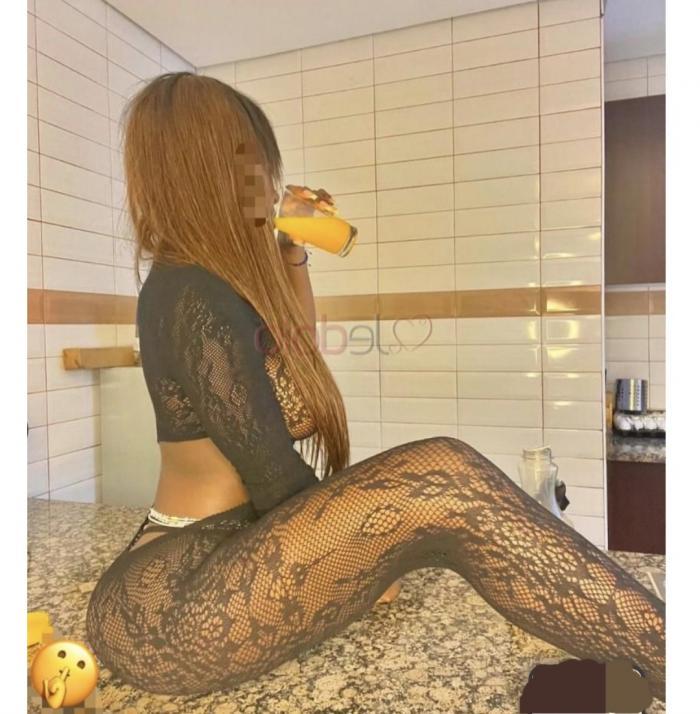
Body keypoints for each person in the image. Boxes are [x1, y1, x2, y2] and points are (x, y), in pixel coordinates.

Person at [85, 72, 665, 702]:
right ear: (210, 171)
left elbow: (296, 362)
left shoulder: (216, 287)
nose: (271, 185)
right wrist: (355, 553)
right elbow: (272, 474)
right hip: (174, 607)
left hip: (231, 561)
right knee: (444, 476)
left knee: (440, 486)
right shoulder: (187, 292)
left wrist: (290, 249)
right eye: (256, 166)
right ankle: (669, 655)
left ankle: (643, 666)